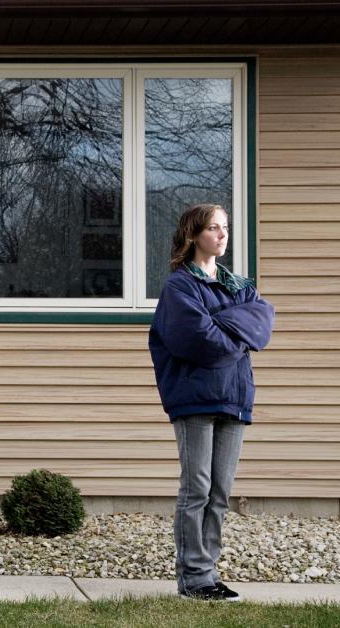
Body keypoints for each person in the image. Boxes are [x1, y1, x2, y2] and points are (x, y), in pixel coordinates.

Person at [148, 203, 274, 602]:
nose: (222, 234)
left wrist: (225, 327)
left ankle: (209, 574)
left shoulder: (241, 286)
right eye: (213, 228)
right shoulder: (180, 287)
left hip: (235, 398)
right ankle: (193, 579)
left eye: (226, 227)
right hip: (195, 398)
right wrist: (237, 333)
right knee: (196, 489)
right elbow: (197, 339)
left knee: (219, 492)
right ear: (193, 235)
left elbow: (262, 322)